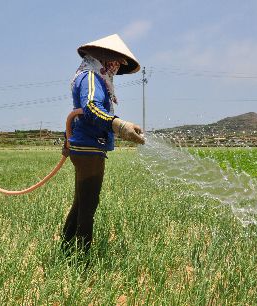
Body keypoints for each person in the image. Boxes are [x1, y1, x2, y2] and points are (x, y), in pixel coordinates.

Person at [62, 34, 145, 257]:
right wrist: (118, 125)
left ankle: (66, 246)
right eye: (115, 62)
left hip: (86, 146)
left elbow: (79, 112)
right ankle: (82, 257)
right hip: (88, 148)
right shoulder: (90, 78)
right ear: (103, 58)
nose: (116, 68)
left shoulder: (90, 77)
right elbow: (90, 108)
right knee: (89, 204)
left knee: (82, 201)